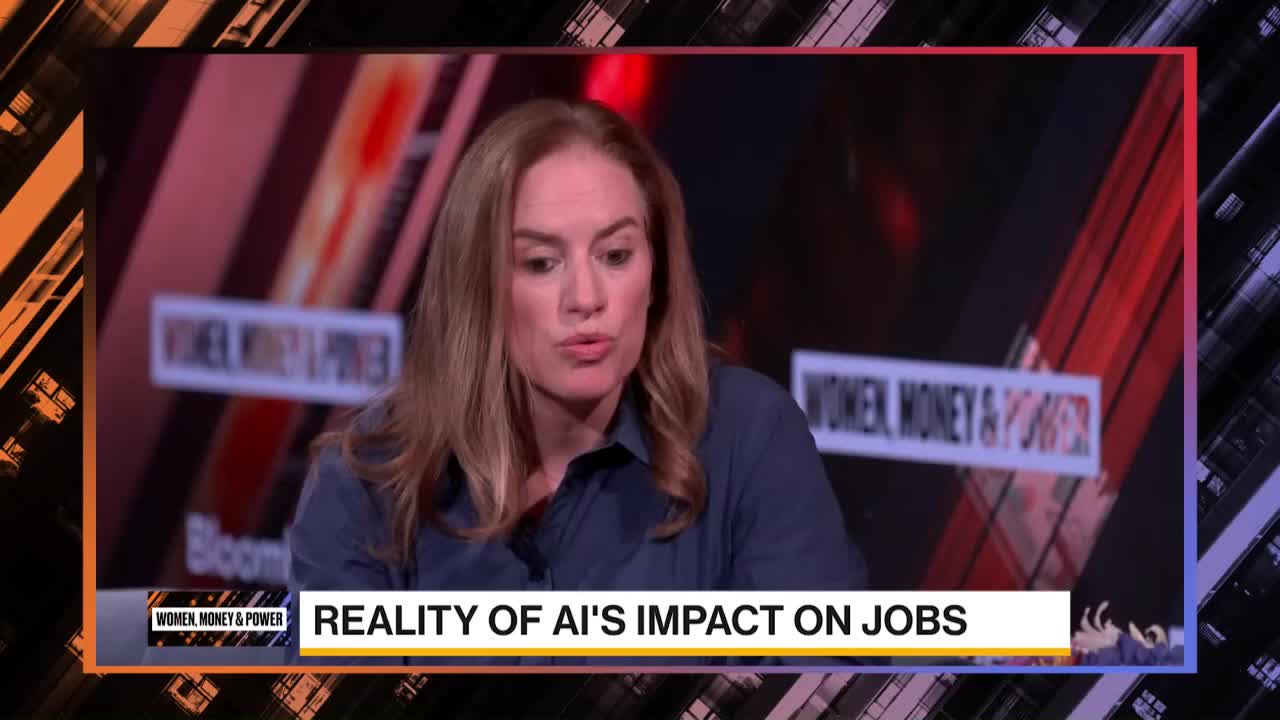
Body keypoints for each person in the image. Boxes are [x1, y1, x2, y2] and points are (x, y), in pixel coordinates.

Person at [287, 97, 865, 666]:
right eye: (542, 263)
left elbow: (818, 688)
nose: (587, 298)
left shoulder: (749, 438)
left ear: (657, 274)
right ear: (477, 285)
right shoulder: (368, 479)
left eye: (615, 255)